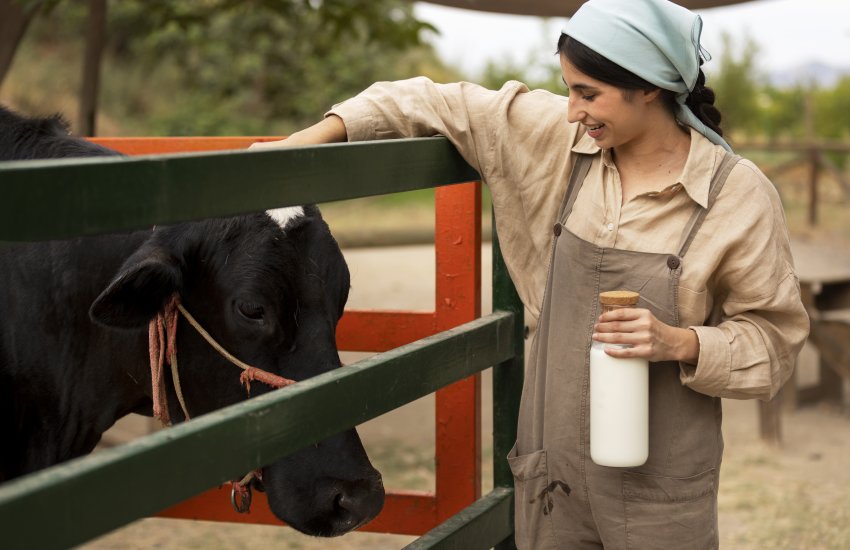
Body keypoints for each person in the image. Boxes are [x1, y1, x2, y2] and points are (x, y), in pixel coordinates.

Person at [252, 0, 809, 547]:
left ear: (649, 87)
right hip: (553, 480)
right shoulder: (554, 143)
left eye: (588, 93)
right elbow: (426, 100)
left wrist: (680, 342)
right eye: (569, 90)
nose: (572, 111)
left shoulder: (737, 195)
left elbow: (774, 342)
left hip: (661, 491)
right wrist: (296, 149)